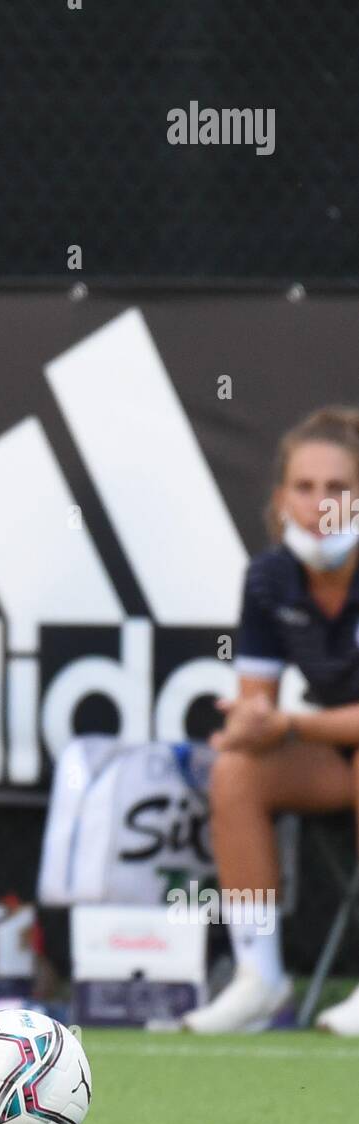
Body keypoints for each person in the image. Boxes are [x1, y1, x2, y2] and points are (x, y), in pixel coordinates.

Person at [182, 407, 359, 1036]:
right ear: (281, 497)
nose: (319, 504)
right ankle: (259, 978)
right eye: (304, 488)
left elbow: (286, 721)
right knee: (236, 771)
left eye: (338, 488)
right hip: (337, 758)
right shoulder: (269, 577)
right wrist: (246, 728)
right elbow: (256, 706)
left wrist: (285, 725)